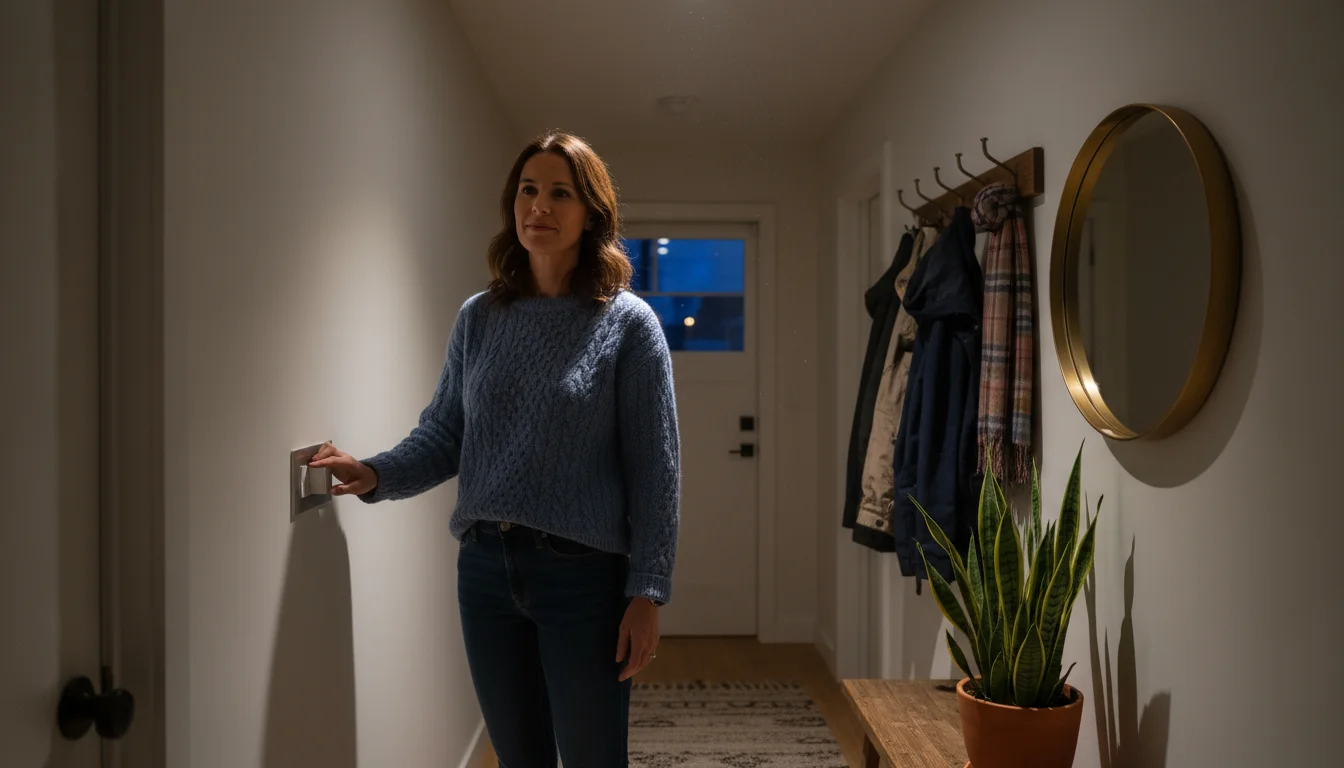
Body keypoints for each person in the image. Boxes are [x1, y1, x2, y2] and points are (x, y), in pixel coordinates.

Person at [309, 132, 681, 767]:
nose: (539, 206)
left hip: (582, 578)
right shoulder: (479, 317)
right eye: (528, 190)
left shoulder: (627, 324)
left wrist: (648, 590)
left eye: (560, 193)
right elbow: (445, 433)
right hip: (484, 570)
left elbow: (656, 471)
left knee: (593, 757)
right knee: (518, 758)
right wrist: (374, 473)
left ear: (591, 213)